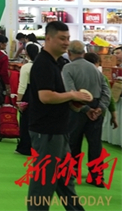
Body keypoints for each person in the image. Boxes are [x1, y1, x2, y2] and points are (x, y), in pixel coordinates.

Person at [26, 21, 91, 211]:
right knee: (43, 183)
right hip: (46, 132)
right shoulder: (42, 63)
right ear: (48, 38)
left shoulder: (61, 63)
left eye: (68, 38)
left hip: (60, 130)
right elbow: (45, 97)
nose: (66, 42)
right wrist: (73, 95)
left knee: (65, 180)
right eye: (62, 38)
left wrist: (77, 103)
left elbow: (60, 95)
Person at [62, 40, 111, 187]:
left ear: (69, 53)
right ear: (83, 52)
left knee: (71, 141)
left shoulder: (68, 68)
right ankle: (97, 177)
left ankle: (70, 173)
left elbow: (70, 92)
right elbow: (106, 91)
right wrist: (99, 108)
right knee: (95, 143)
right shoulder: (95, 69)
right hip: (96, 106)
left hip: (77, 108)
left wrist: (85, 109)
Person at [16, 43, 40, 156]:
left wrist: (18, 100)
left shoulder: (26, 67)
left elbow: (22, 85)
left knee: (25, 122)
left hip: (28, 94)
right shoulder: (41, 65)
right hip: (40, 95)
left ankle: (25, 146)